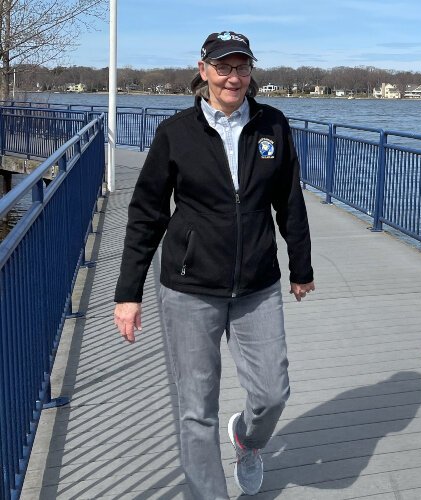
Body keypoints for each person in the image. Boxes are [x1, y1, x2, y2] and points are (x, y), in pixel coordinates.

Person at [113, 31, 315, 499]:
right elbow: (146, 214)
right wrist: (128, 293)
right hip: (188, 288)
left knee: (272, 393)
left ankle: (246, 438)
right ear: (203, 71)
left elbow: (289, 200)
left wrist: (300, 266)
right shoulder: (176, 134)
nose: (234, 77)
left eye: (242, 67)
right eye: (223, 67)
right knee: (195, 409)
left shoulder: (273, 125)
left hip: (257, 284)